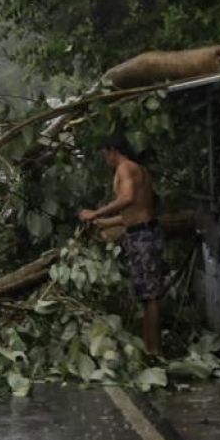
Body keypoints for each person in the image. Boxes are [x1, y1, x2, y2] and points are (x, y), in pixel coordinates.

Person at [78, 136, 164, 355]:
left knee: (150, 296)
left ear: (112, 151)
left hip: (143, 235)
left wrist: (96, 212)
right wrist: (101, 223)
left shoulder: (126, 168)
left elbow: (126, 198)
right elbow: (132, 212)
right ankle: (149, 349)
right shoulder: (136, 169)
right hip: (140, 232)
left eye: (104, 154)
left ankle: (154, 351)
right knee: (146, 296)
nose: (104, 159)